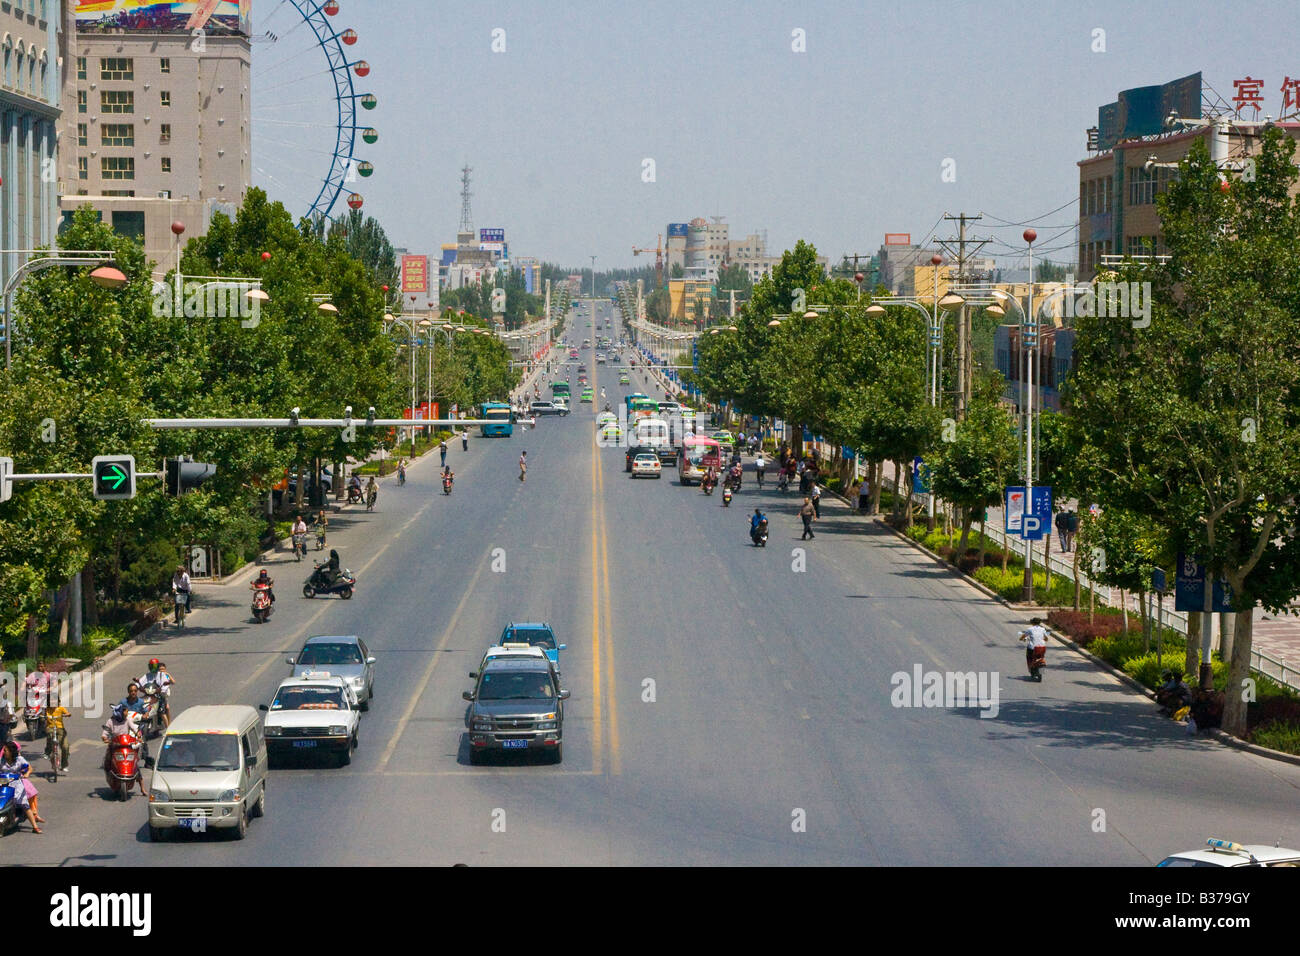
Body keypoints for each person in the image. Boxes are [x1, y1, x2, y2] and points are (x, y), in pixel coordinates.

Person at [100, 705, 146, 797]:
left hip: (126, 745)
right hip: (115, 746)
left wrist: (139, 736)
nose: (127, 713)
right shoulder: (110, 721)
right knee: (107, 762)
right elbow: (105, 734)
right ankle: (110, 777)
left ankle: (142, 788)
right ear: (120, 712)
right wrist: (105, 738)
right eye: (125, 711)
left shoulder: (127, 720)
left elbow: (135, 729)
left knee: (135, 764)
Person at [0, 741, 40, 832]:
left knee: (23, 803)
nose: (4, 752)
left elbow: (29, 768)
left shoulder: (20, 760)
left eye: (5, 750)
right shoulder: (1, 761)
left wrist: (27, 773)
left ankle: (34, 827)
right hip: (2, 783)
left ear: (11, 752)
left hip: (16, 784)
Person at [139, 658, 176, 729]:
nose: (153, 668)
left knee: (162, 711)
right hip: (149, 695)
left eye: (155, 666)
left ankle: (168, 727)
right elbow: (140, 681)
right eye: (152, 666)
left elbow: (168, 684)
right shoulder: (147, 675)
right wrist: (137, 686)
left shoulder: (163, 675)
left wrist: (162, 690)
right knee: (140, 704)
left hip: (160, 696)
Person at [45, 693, 70, 772]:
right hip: (50, 728)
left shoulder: (60, 708)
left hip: (60, 729)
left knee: (65, 747)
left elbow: (67, 713)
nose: (53, 702)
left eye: (54, 700)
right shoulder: (46, 709)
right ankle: (47, 752)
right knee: (49, 735)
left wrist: (67, 714)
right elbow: (41, 715)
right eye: (51, 700)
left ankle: (64, 765)